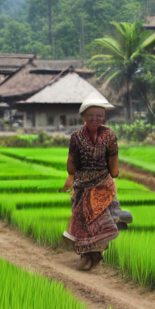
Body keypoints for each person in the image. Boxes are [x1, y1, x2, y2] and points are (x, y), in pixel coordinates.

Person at [62, 92, 121, 271]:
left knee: (104, 217)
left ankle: (98, 251)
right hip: (82, 184)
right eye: (92, 115)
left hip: (103, 183)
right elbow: (72, 161)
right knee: (83, 222)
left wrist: (114, 172)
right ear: (84, 117)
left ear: (104, 117)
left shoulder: (109, 135)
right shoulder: (76, 137)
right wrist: (70, 177)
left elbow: (113, 160)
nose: (96, 119)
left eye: (100, 115)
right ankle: (86, 253)